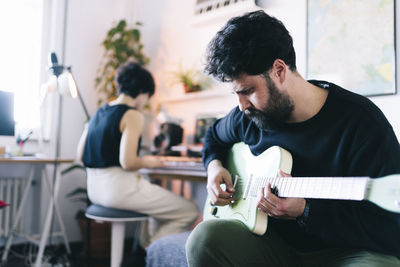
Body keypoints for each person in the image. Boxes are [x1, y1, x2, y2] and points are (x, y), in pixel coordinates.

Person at [186, 10, 400, 267]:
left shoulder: (360, 123)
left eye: (247, 91)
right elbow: (214, 136)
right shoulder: (249, 116)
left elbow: (389, 227)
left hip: (344, 252)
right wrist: (214, 167)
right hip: (272, 245)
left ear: (279, 70)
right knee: (202, 238)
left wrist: (306, 212)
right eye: (236, 94)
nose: (241, 106)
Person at [77, 62, 198, 248]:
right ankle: (153, 251)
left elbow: (79, 156)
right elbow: (128, 162)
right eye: (148, 97)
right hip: (118, 189)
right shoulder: (132, 115)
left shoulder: (99, 112)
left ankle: (149, 249)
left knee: (159, 210)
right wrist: (151, 161)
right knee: (188, 210)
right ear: (142, 91)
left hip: (95, 190)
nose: (146, 102)